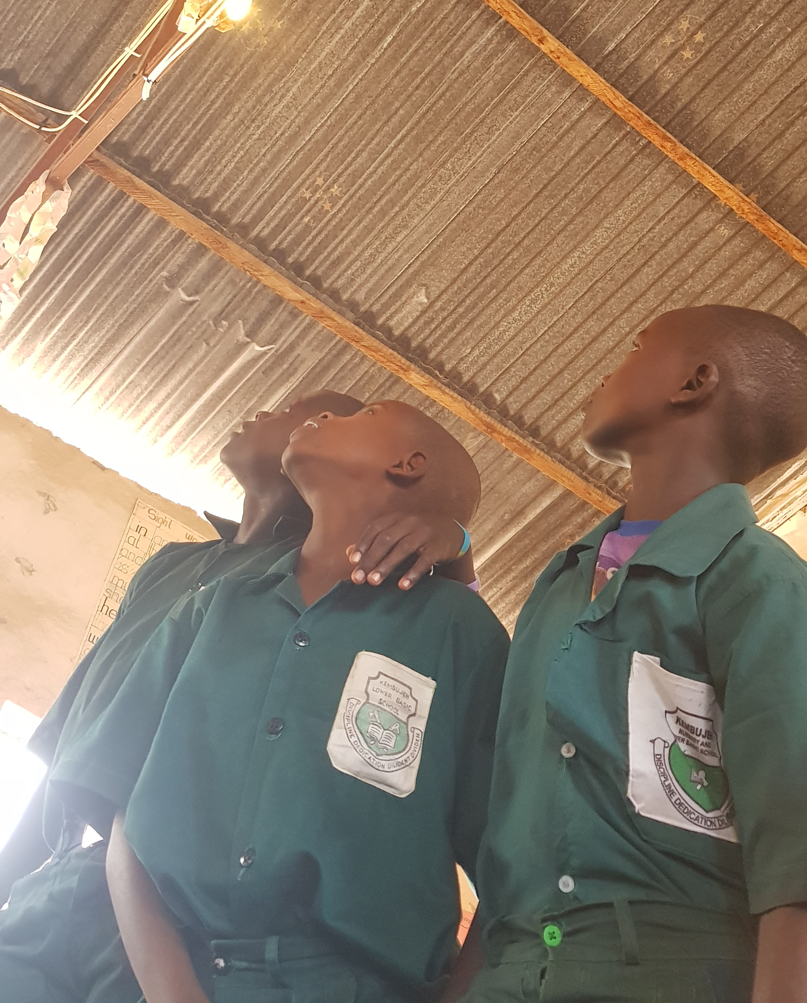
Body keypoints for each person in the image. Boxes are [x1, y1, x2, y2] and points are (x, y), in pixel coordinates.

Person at [0, 390, 476, 1003]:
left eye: (303, 409)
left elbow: (437, 636)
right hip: (80, 869)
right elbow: (82, 748)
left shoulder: (325, 585)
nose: (281, 414)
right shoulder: (176, 569)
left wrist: (459, 543)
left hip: (170, 916)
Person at [465, 306, 807, 1003]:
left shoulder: (755, 577)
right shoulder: (559, 581)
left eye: (633, 347)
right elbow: (510, 811)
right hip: (513, 965)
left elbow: (792, 844)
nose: (606, 369)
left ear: (693, 382)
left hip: (670, 970)